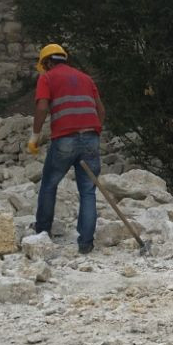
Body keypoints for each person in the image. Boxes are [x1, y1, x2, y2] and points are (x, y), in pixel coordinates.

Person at [29, 43, 105, 253]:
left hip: (64, 139)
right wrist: (95, 131)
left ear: (47, 62)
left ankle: (42, 232)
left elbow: (42, 106)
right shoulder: (86, 78)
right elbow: (100, 108)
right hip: (91, 138)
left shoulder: (47, 77)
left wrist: (35, 136)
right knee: (88, 191)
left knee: (49, 185)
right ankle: (86, 243)